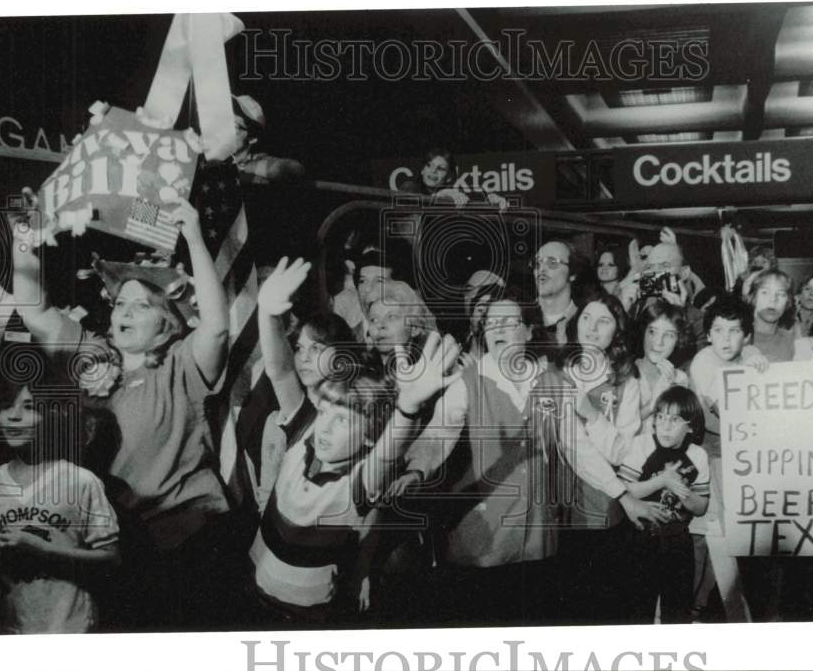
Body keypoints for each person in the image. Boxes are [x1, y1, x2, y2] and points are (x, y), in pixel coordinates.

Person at [10, 197, 236, 629]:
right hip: (103, 544)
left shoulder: (180, 366)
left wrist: (192, 235)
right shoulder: (91, 354)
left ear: (167, 324)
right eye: (119, 303)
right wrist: (24, 242)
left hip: (179, 546)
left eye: (141, 305)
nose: (124, 311)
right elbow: (34, 310)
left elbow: (218, 327)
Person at [396, 288, 666, 625]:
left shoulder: (551, 381)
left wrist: (623, 496)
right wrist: (418, 468)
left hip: (538, 541)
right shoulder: (468, 383)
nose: (498, 330)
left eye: (509, 323)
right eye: (492, 323)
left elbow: (575, 444)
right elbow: (440, 432)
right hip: (483, 542)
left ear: (528, 331)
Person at [246, 332, 463, 626]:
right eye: (324, 413)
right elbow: (280, 371)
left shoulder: (356, 485)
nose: (324, 428)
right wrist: (270, 310)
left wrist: (408, 407)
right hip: (256, 582)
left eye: (343, 420)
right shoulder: (303, 437)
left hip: (304, 615)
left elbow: (390, 449)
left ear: (369, 437)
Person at [0, 359, 120, 634]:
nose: (13, 416)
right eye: (6, 406)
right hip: (10, 631)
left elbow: (111, 558)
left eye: (29, 407)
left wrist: (43, 550)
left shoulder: (80, 481)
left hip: (69, 628)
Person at [558, 293, 650, 622]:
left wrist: (591, 415)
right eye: (586, 318)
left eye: (604, 321)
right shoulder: (555, 372)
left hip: (600, 507)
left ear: (617, 332)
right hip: (552, 505)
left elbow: (622, 451)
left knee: (599, 603)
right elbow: (567, 444)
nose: (593, 328)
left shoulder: (627, 382)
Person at [251, 257, 359, 513]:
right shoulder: (296, 416)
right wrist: (267, 312)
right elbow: (280, 370)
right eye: (299, 348)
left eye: (317, 348)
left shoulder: (359, 414)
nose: (305, 358)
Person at [688, 296, 768, 623]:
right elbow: (728, 410)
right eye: (718, 330)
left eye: (734, 331)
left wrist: (756, 358)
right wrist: (749, 365)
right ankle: (692, 609)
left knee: (736, 537)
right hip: (712, 457)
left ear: (746, 335)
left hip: (741, 458)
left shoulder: (747, 353)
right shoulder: (702, 362)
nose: (725, 338)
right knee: (712, 538)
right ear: (707, 335)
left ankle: (720, 606)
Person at [620, 386, 710, 624]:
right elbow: (626, 490)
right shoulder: (641, 445)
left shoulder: (698, 455)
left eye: (674, 419)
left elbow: (701, 507)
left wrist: (681, 491)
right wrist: (661, 480)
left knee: (677, 610)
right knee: (638, 609)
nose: (665, 425)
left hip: (678, 540)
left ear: (690, 426)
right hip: (641, 537)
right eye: (660, 417)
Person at [632, 300, 691, 433]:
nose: (659, 342)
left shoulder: (680, 379)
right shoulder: (626, 373)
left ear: (678, 340)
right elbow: (618, 430)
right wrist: (653, 404)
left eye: (669, 335)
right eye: (652, 332)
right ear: (643, 332)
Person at [746, 269, 812, 363]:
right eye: (765, 292)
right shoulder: (739, 338)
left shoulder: (792, 341)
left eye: (781, 294)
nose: (773, 299)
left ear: (787, 303)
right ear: (753, 298)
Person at [534, 240, 588, 347]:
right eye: (537, 263)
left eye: (552, 263)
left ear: (573, 274)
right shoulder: (519, 316)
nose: (541, 269)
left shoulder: (586, 321)